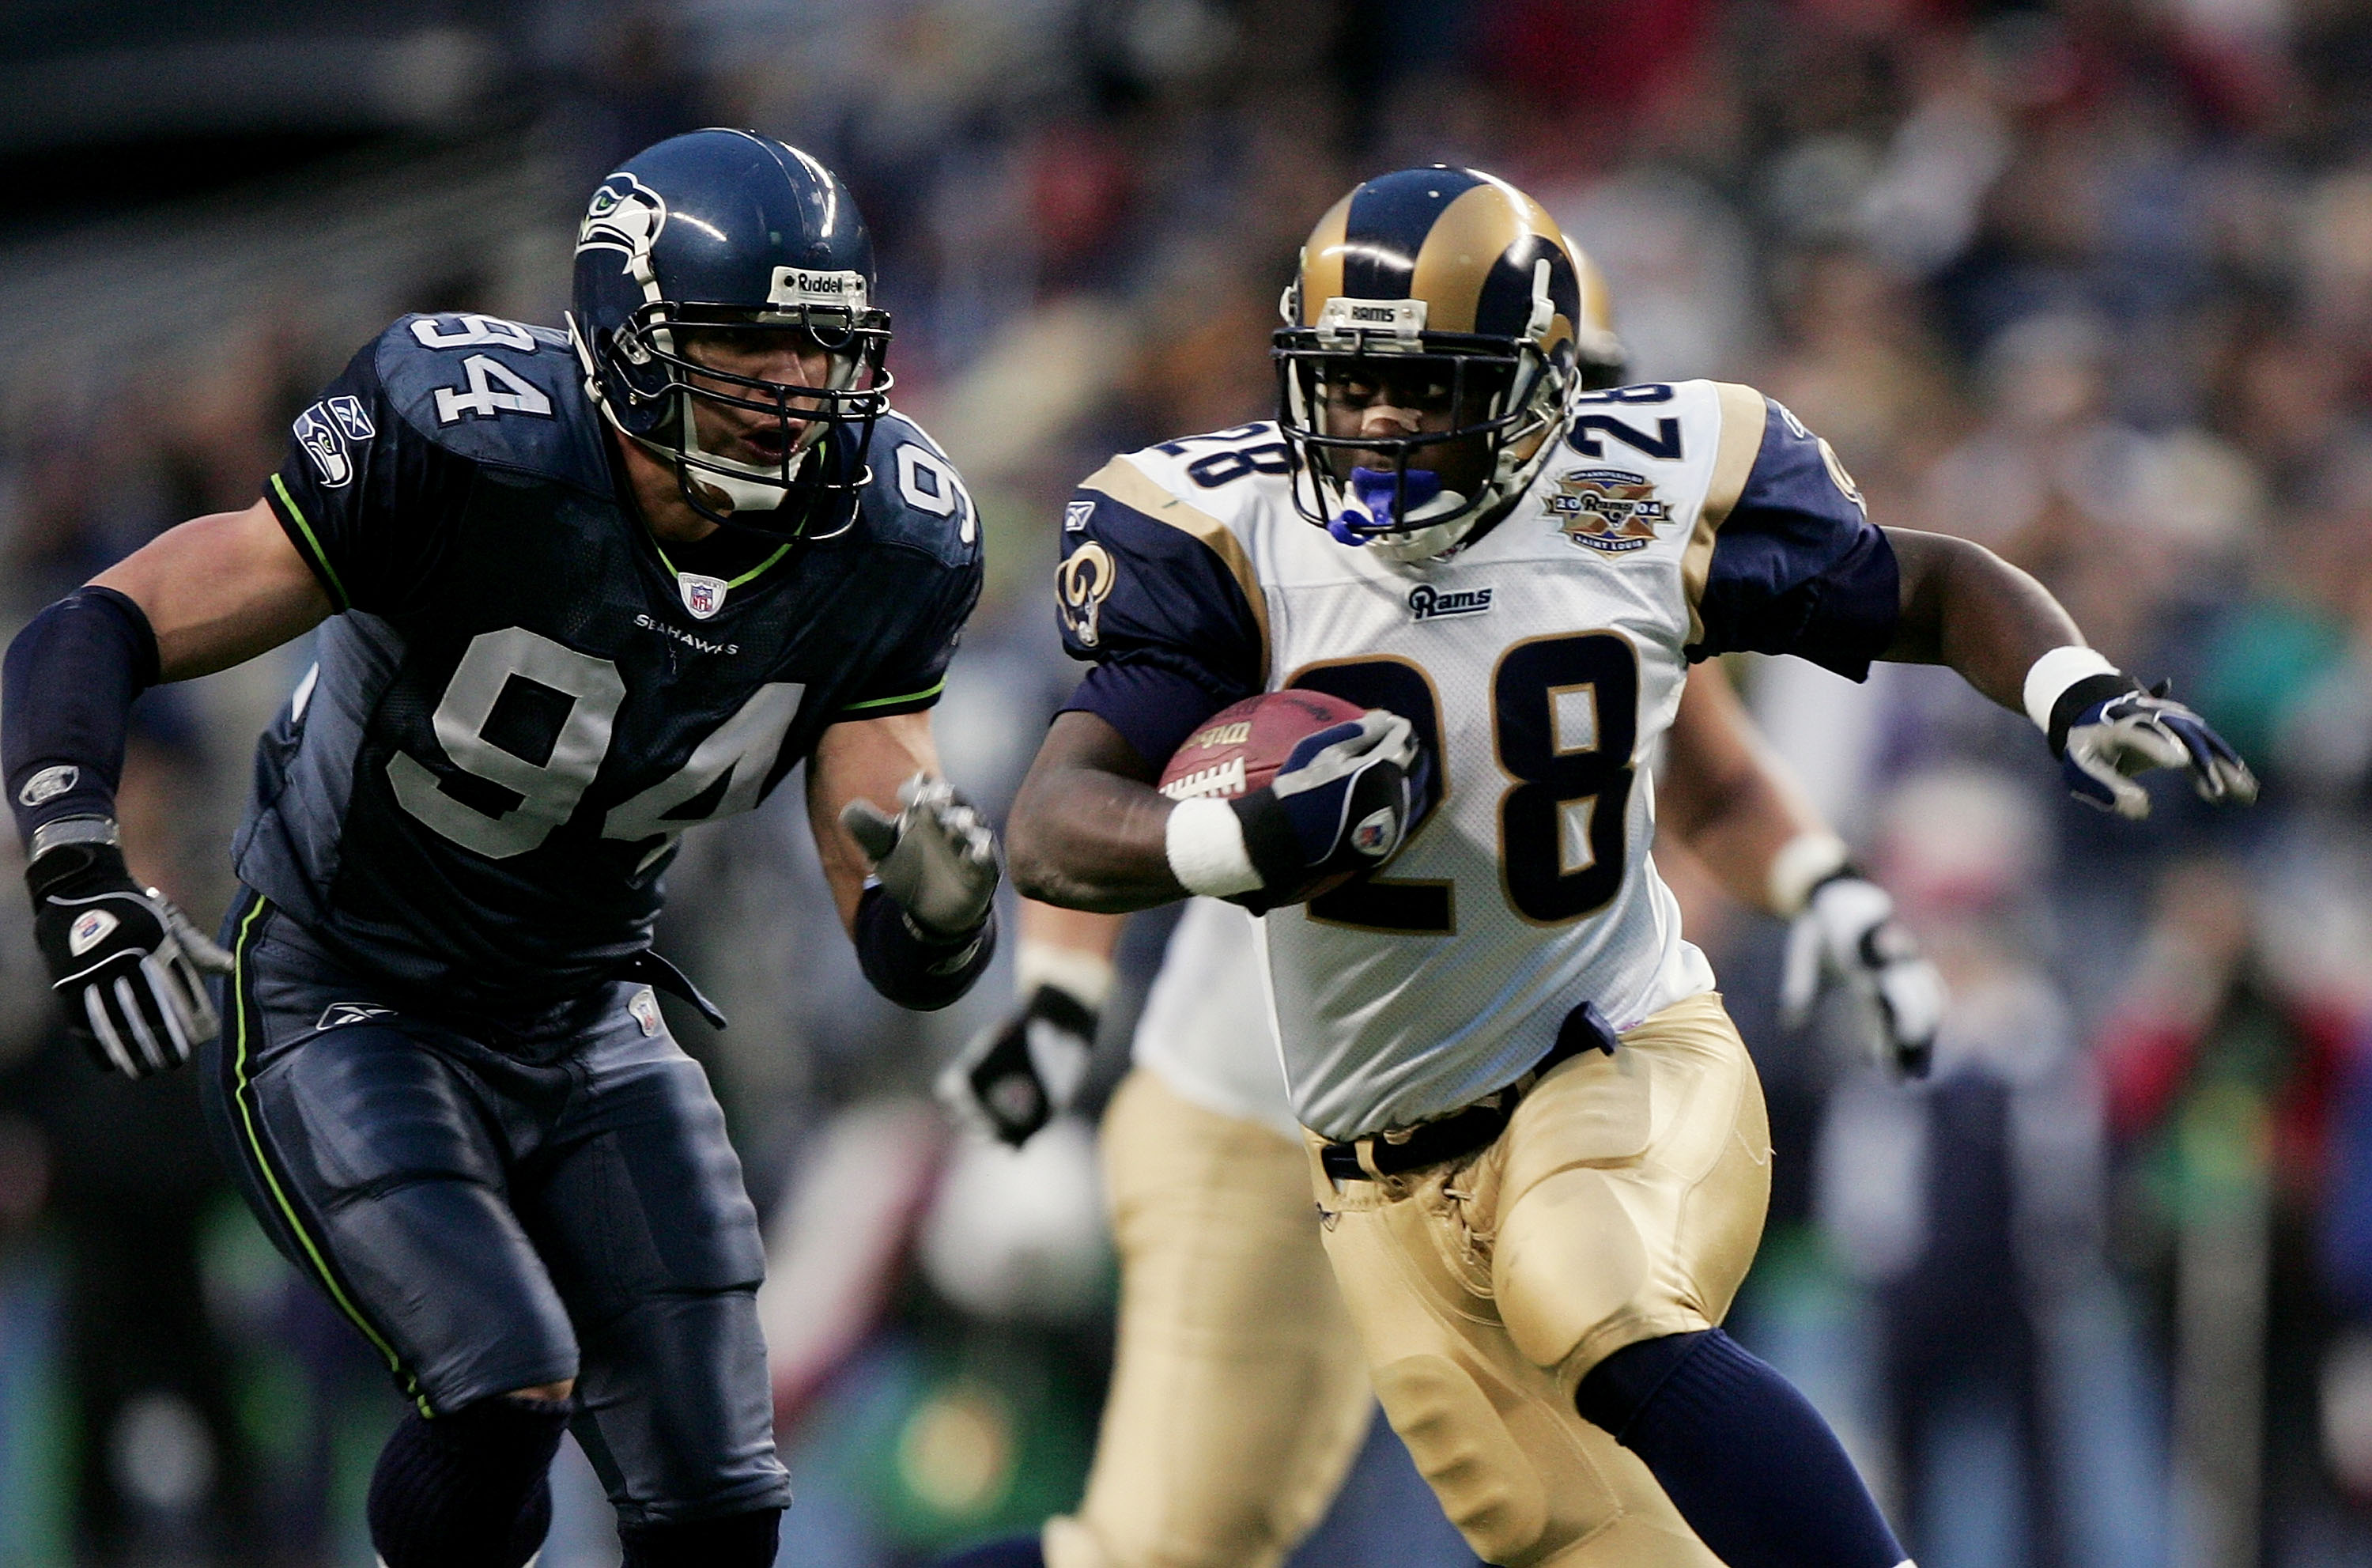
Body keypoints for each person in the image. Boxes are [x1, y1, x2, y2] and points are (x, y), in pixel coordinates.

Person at [999, 165, 2257, 1568]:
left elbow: (1932, 585)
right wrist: (1233, 836)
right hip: (1374, 1177)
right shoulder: (1227, 534)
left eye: (1430, 388)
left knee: (1593, 1291)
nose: (1381, 425)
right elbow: (1055, 826)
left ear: (1542, 386)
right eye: (1351, 383)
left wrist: (2073, 690)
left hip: (1611, 1057)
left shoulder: (1642, 494)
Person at [1, 129, 1002, 1568]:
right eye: (749, 343)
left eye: (821, 346)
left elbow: (895, 909)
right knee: (500, 1386)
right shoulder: (462, 434)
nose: (795, 388)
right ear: (625, 339)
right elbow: (96, 622)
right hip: (349, 992)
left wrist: (944, 915)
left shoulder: (889, 540)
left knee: (721, 1498)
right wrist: (78, 865)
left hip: (588, 1009)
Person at [933, 258, 1945, 1568]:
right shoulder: (1284, 566)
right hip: (1254, 1123)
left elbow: (1721, 781)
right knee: (1167, 1552)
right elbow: (1103, 795)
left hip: (1500, 1134)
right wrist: (1058, 1009)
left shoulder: (1594, 585)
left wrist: (1836, 896)